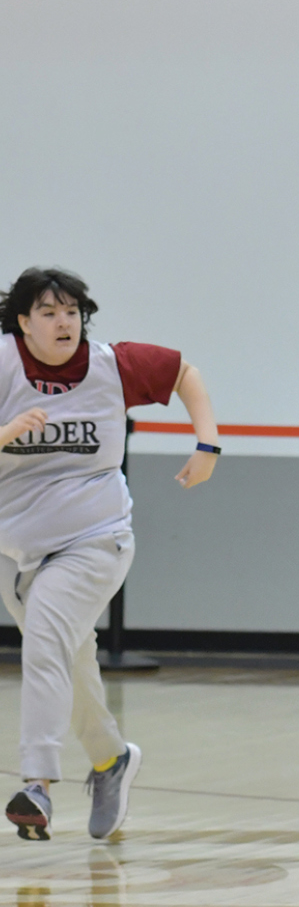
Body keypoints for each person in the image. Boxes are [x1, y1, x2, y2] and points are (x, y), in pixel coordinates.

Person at [1, 267, 222, 841]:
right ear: (23, 322)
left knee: (47, 641)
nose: (63, 322)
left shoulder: (110, 364)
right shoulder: (2, 365)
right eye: (48, 313)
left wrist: (207, 442)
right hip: (16, 547)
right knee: (68, 662)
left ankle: (37, 784)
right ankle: (110, 758)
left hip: (96, 537)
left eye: (71, 311)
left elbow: (184, 372)